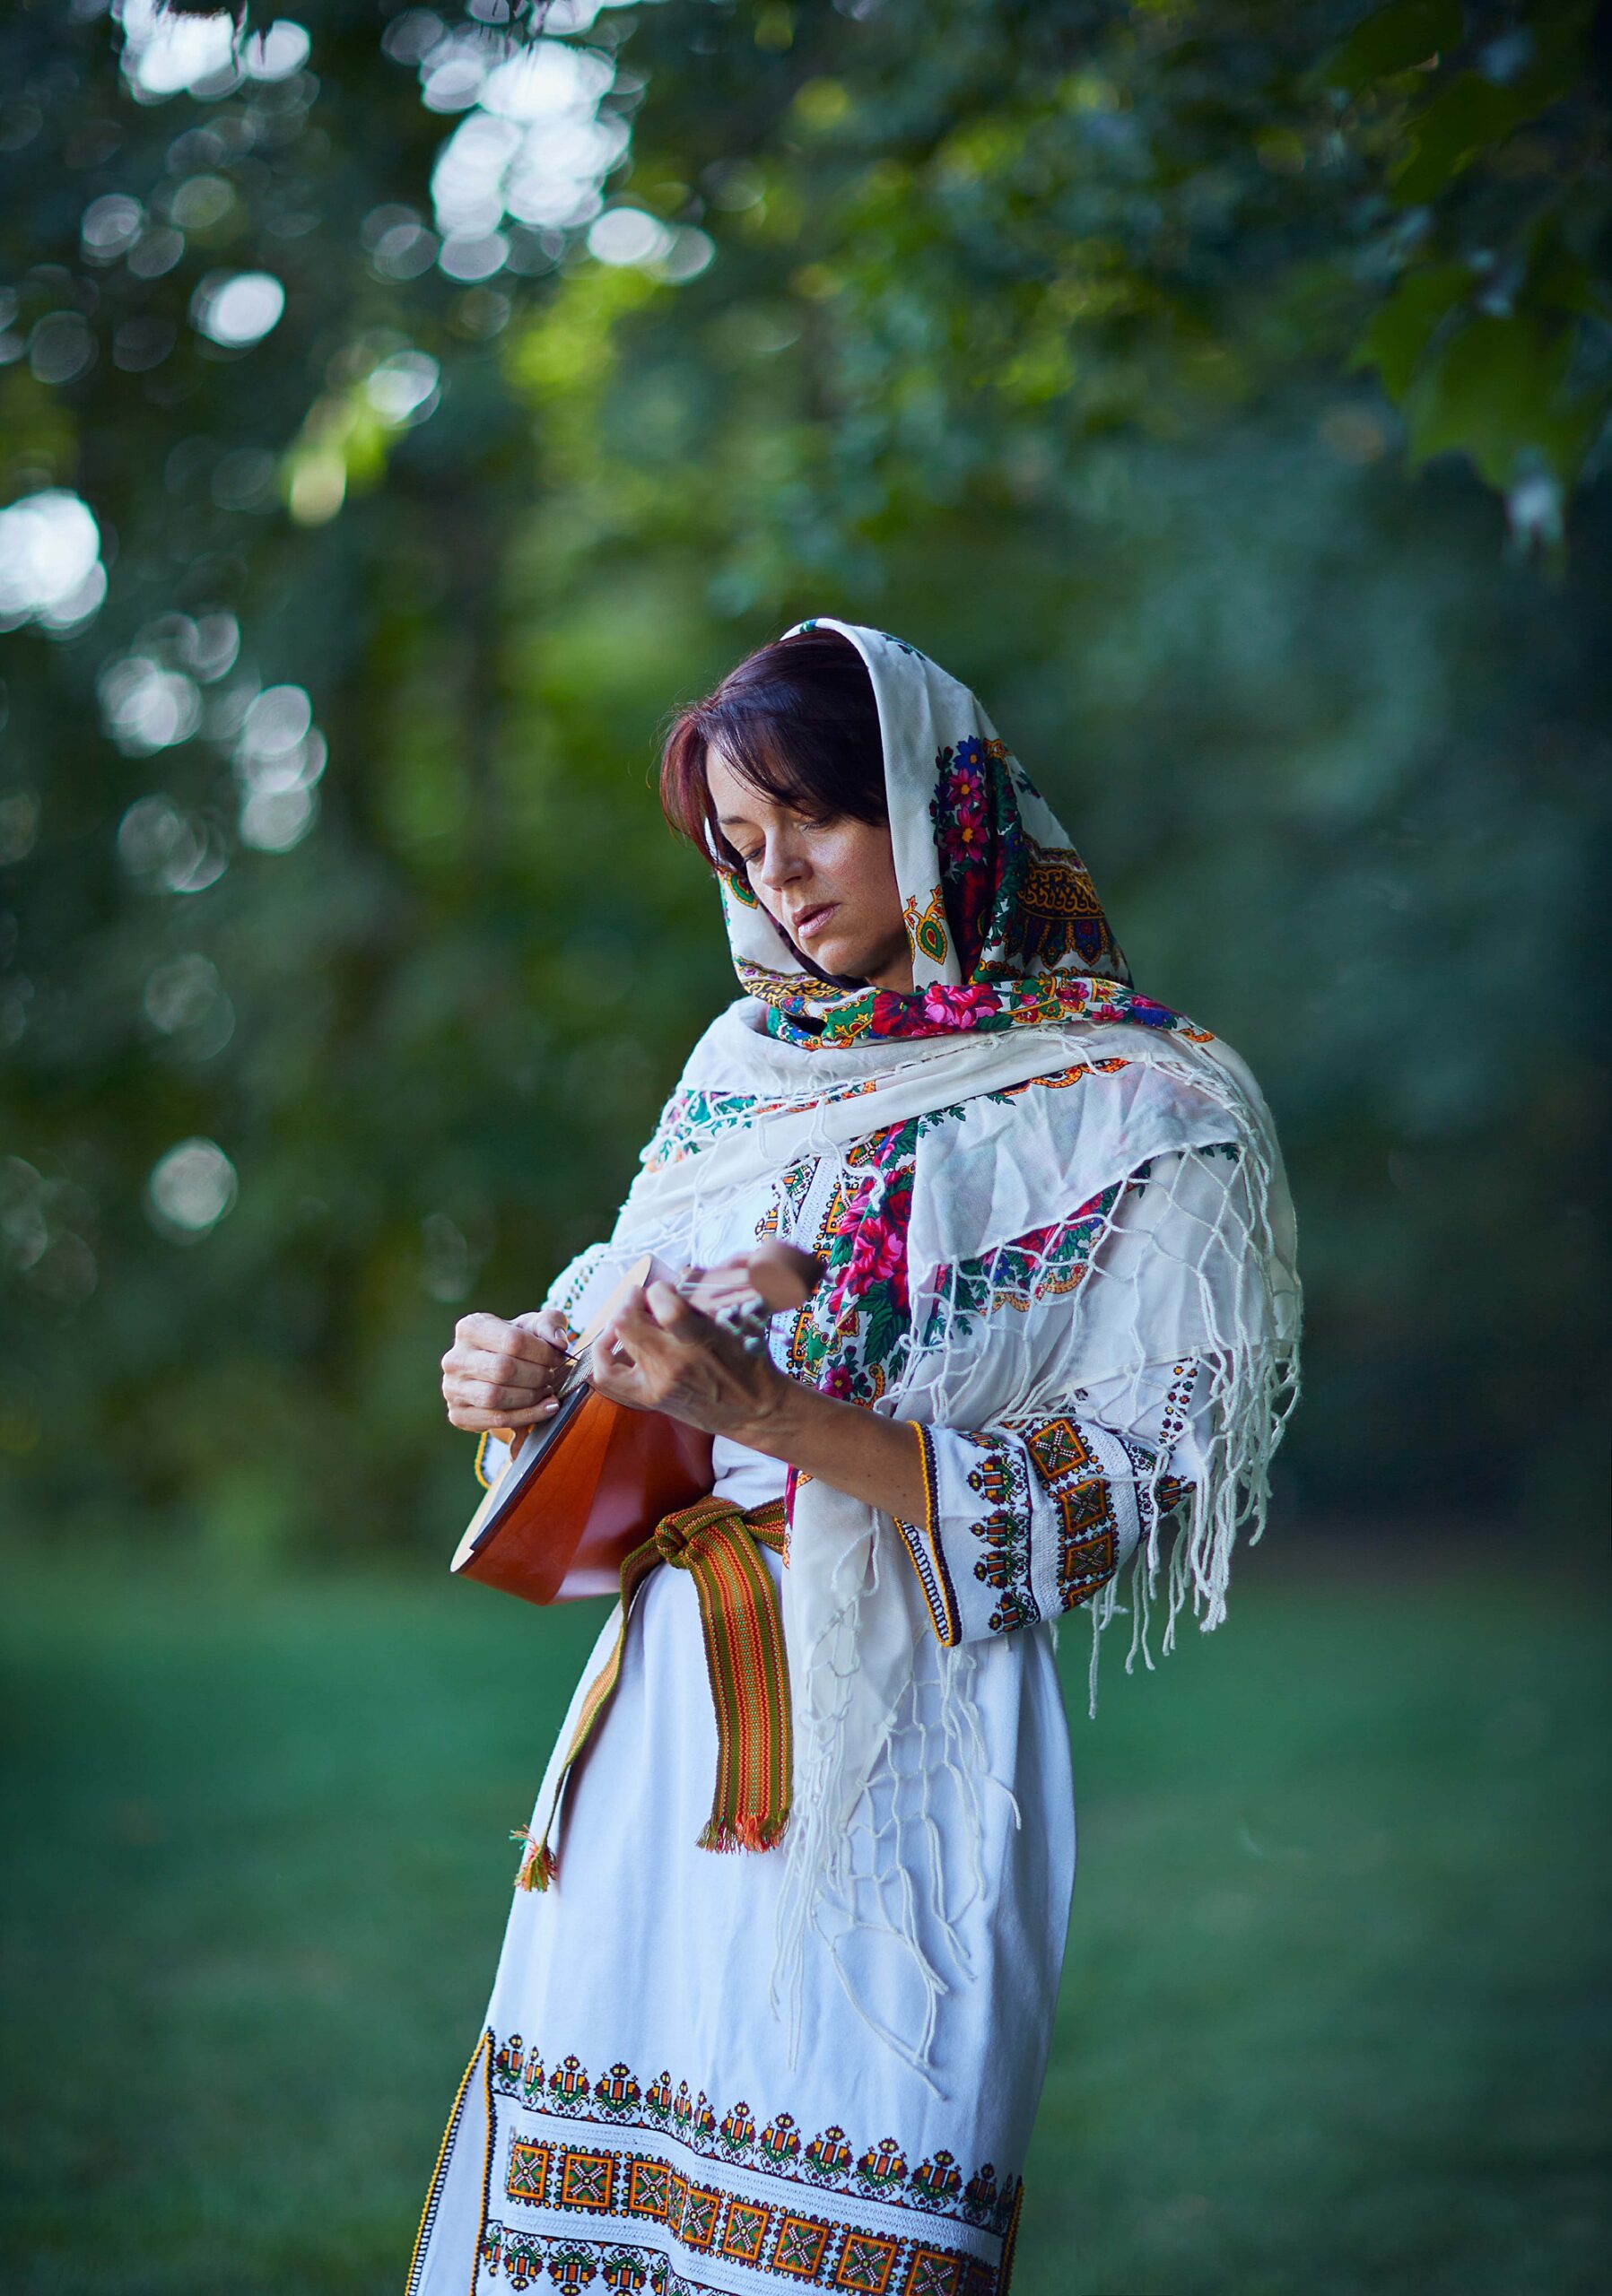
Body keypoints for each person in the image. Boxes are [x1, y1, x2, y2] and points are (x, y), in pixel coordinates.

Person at [410, 621, 1300, 2296]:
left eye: (814, 814)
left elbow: (1123, 1486)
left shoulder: (1138, 1103)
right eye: (741, 849)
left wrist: (771, 1414)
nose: (781, 879)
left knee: (850, 2235)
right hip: (668, 1730)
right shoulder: (738, 1076)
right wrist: (524, 1384)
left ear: (934, 797)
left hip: (909, 1743)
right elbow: (622, 1375)